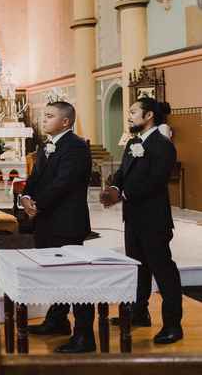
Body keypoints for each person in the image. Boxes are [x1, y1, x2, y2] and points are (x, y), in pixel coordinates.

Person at [101, 98, 182, 345]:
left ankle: (172, 325)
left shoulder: (162, 145)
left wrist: (123, 195)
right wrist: (115, 185)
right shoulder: (133, 142)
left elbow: (156, 181)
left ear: (148, 116)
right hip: (133, 218)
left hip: (154, 219)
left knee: (163, 270)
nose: (129, 115)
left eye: (133, 112)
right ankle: (139, 313)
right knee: (138, 267)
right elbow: (123, 172)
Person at [20, 101, 94, 353]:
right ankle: (57, 319)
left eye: (49, 116)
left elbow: (64, 183)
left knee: (74, 279)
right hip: (46, 221)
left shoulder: (76, 148)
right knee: (54, 275)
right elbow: (35, 177)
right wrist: (26, 197)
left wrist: (37, 203)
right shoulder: (46, 146)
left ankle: (84, 335)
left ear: (65, 122)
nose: (43, 119)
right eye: (44, 115)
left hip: (66, 222)